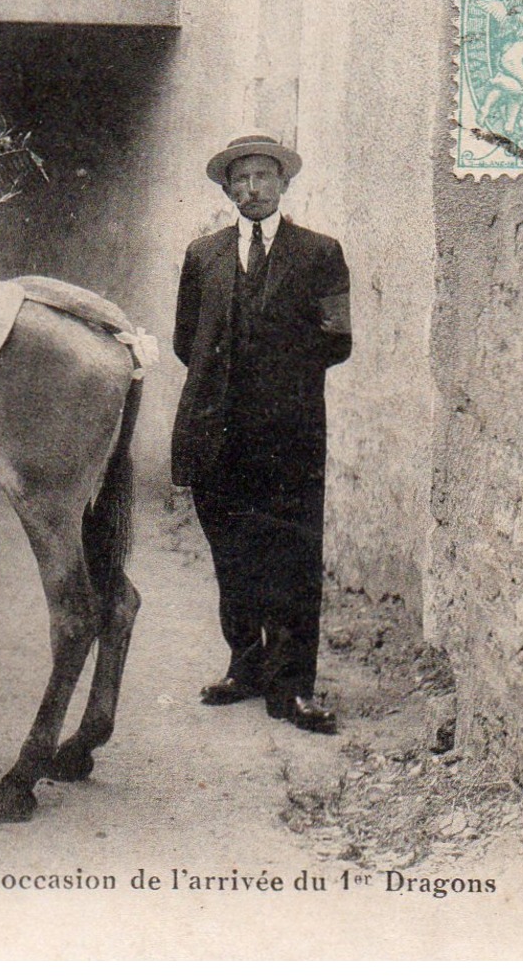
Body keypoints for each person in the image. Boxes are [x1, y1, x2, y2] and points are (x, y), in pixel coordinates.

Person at [171, 135, 352, 735]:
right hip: (218, 431)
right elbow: (185, 342)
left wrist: (279, 377)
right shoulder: (204, 256)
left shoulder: (321, 253)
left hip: (290, 433)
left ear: (283, 184)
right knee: (232, 551)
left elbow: (338, 340)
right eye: (240, 180)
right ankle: (245, 665)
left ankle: (293, 686)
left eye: (262, 178)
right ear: (227, 190)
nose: (251, 189)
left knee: (294, 555)